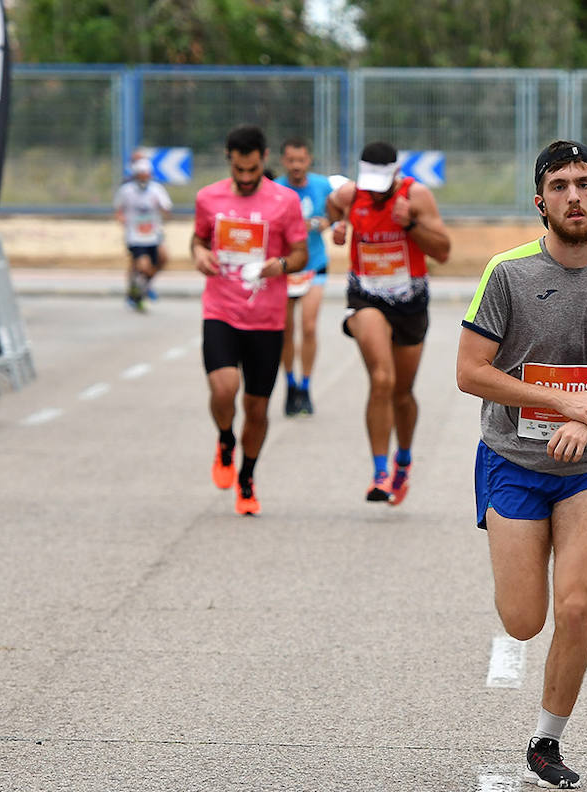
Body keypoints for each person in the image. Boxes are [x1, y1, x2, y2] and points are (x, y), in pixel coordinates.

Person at [456, 140, 587, 789]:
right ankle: (513, 539)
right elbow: (469, 372)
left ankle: (547, 740)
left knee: (575, 606)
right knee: (524, 619)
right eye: (559, 185)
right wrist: (557, 401)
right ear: (540, 201)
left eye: (584, 183)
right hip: (514, 460)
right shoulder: (507, 273)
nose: (573, 195)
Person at [191, 124, 308, 516]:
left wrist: (278, 266)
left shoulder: (285, 201)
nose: (245, 178)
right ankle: (225, 439)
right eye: (239, 170)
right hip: (221, 310)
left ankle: (247, 477)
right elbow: (199, 239)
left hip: (266, 319)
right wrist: (199, 255)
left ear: (263, 160)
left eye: (252, 170)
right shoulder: (208, 198)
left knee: (257, 408)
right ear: (229, 159)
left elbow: (301, 254)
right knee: (224, 389)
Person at [327, 141, 451, 504]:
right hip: (365, 298)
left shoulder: (418, 196)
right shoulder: (351, 194)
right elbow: (331, 205)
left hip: (409, 302)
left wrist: (410, 224)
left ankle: (403, 462)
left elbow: (442, 251)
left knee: (402, 392)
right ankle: (379, 473)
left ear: (396, 174)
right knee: (382, 378)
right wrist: (337, 223)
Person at [275, 137, 348, 417]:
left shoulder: (322, 186)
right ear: (284, 161)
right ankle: (290, 383)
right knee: (285, 330)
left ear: (309, 160)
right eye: (291, 160)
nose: (296, 166)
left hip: (314, 265)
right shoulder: (277, 189)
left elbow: (338, 212)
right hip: (286, 267)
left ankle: (306, 386)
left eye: (301, 160)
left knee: (308, 326)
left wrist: (327, 223)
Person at [113, 157, 172, 311]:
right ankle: (138, 295)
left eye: (146, 174)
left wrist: (162, 211)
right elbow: (118, 211)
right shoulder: (126, 191)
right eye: (141, 174)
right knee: (142, 266)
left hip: (153, 234)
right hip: (135, 236)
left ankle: (141, 287)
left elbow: (166, 208)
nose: (144, 178)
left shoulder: (156, 190)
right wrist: (123, 221)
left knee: (162, 259)